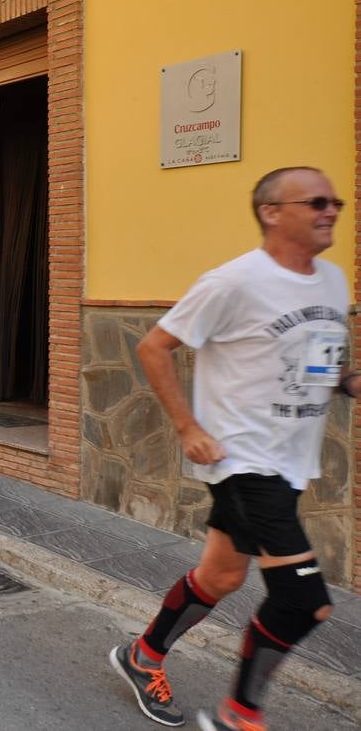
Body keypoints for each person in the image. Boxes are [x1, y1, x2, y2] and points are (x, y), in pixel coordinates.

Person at [108, 167, 350, 731]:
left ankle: (141, 658)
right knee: (303, 601)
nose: (331, 209)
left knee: (220, 578)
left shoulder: (333, 281)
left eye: (334, 201)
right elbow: (154, 347)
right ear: (272, 212)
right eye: (316, 201)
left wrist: (348, 380)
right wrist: (188, 427)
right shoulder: (233, 281)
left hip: (289, 463)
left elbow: (320, 356)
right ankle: (239, 718)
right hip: (242, 461)